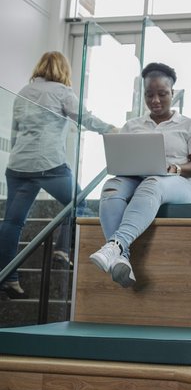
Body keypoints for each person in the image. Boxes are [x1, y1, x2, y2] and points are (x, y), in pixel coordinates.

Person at [0, 51, 118, 300]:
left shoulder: (23, 92)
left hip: (18, 165)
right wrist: (111, 129)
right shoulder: (62, 92)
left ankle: (8, 278)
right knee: (78, 204)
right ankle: (62, 249)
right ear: (63, 70)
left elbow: (15, 131)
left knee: (12, 223)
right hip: (48, 164)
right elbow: (85, 118)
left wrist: (16, 159)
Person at [89, 62, 191, 288]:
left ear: (173, 93)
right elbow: (122, 159)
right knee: (111, 187)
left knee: (153, 182)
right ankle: (121, 259)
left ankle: (115, 245)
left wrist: (176, 168)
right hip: (134, 179)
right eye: (149, 95)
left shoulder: (189, 125)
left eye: (162, 94)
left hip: (177, 183)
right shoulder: (132, 125)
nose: (155, 100)